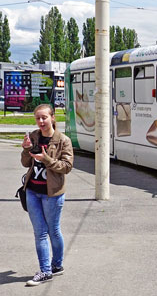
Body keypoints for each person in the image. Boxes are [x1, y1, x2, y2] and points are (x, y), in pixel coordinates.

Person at [21, 104, 74, 286]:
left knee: (54, 231)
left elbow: (66, 167)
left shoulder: (63, 140)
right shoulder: (34, 136)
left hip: (53, 194)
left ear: (53, 118)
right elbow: (25, 163)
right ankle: (45, 271)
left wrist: (47, 160)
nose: (41, 121)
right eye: (38, 118)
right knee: (40, 232)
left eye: (44, 117)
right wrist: (25, 149)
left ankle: (57, 265)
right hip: (33, 191)